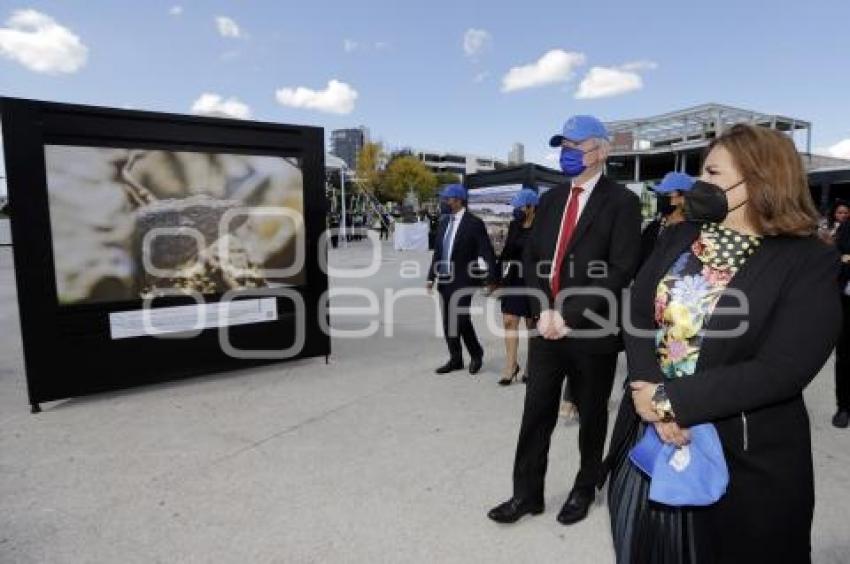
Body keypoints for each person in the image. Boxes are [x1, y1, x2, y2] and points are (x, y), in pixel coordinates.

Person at [606, 123, 841, 563]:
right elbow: (638, 312)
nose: (700, 184)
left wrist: (672, 401)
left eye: (713, 173)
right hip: (651, 433)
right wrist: (647, 386)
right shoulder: (680, 236)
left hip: (745, 456)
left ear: (758, 179)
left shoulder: (809, 260)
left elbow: (783, 369)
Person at [488, 115, 642, 525]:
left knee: (591, 415)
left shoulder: (622, 202)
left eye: (576, 146)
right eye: (563, 146)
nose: (567, 154)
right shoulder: (552, 199)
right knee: (536, 412)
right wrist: (542, 311)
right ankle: (527, 495)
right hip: (547, 328)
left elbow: (621, 268)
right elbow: (535, 259)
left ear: (601, 151)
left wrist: (568, 314)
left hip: (591, 328)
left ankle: (584, 486)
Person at [426, 184, 498, 375]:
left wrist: (491, 278)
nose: (444, 202)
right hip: (445, 279)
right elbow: (438, 252)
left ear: (458, 200)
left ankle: (476, 353)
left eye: (447, 199)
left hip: (464, 279)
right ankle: (455, 358)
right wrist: (430, 277)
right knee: (449, 321)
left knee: (461, 318)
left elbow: (486, 251)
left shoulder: (474, 223)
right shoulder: (443, 222)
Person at [496, 188, 538, 385]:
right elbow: (506, 253)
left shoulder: (544, 226)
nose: (516, 210)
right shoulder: (514, 225)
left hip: (535, 280)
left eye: (519, 207)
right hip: (514, 278)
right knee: (509, 321)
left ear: (531, 207)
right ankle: (511, 365)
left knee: (532, 325)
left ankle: (531, 366)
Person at [639, 171, 695, 264]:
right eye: (659, 194)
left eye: (666, 194)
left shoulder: (693, 231)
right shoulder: (654, 227)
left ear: (684, 197)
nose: (660, 198)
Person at [832, 218, 850, 428]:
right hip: (846, 302)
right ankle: (843, 406)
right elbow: (837, 256)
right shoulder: (847, 227)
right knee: (845, 357)